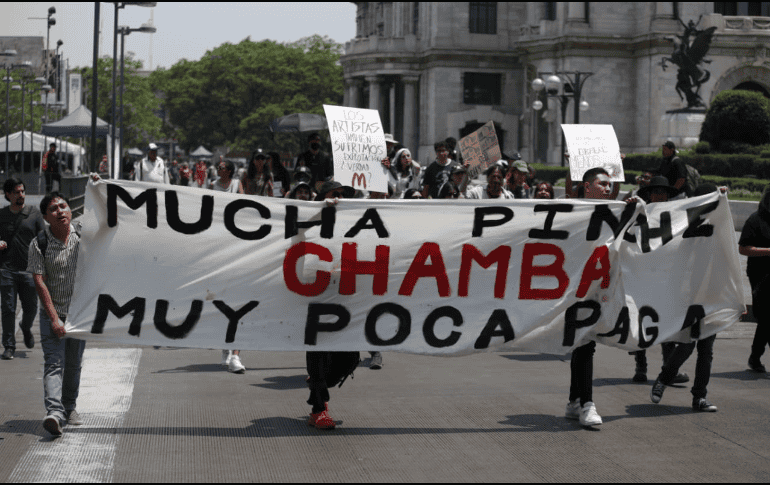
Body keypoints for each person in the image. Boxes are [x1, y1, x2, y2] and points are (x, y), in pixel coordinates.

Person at [650, 183, 726, 412]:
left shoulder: (720, 222)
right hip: (689, 295)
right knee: (686, 345)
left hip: (711, 294)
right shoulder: (686, 222)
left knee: (706, 350)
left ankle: (699, 397)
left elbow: (727, 262)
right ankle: (664, 378)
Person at [27, 193, 85, 436]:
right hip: (52, 312)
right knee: (54, 364)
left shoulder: (83, 236)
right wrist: (54, 318)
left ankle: (69, 407)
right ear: (45, 217)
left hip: (79, 315)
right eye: (53, 209)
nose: (60, 211)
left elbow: (108, 219)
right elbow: (39, 283)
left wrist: (96, 184)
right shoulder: (38, 243)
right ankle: (54, 413)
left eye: (63, 206)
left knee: (73, 365)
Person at [305, 181, 360, 429]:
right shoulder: (312, 219)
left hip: (345, 297)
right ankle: (318, 408)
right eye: (334, 194)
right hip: (317, 298)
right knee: (319, 352)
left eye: (343, 195)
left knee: (350, 358)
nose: (339, 198)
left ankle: (318, 384)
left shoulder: (354, 221)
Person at [564, 167, 614, 427]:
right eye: (602, 183)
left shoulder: (613, 213)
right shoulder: (573, 210)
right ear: (587, 186)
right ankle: (586, 403)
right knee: (584, 343)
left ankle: (575, 401)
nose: (608, 188)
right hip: (575, 289)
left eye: (610, 184)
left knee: (584, 343)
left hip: (598, 289)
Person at [629, 176, 688, 384]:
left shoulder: (676, 216)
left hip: (666, 277)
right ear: (650, 194)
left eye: (664, 192)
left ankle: (668, 369)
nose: (660, 196)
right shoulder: (639, 213)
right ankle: (640, 367)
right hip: (642, 276)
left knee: (667, 323)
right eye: (656, 192)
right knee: (641, 323)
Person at [0, 178, 46, 360]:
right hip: (6, 269)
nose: (21, 195)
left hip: (29, 269)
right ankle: (9, 346)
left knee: (31, 308)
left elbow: (43, 239)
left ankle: (26, 328)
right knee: (8, 309)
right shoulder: (1, 215)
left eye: (22, 191)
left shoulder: (34, 214)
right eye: (17, 192)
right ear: (8, 195)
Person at [739, 184, 770, 373]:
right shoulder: (755, 220)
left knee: (767, 320)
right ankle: (755, 357)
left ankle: (755, 357)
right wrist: (768, 252)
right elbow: (743, 248)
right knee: (766, 318)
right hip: (760, 275)